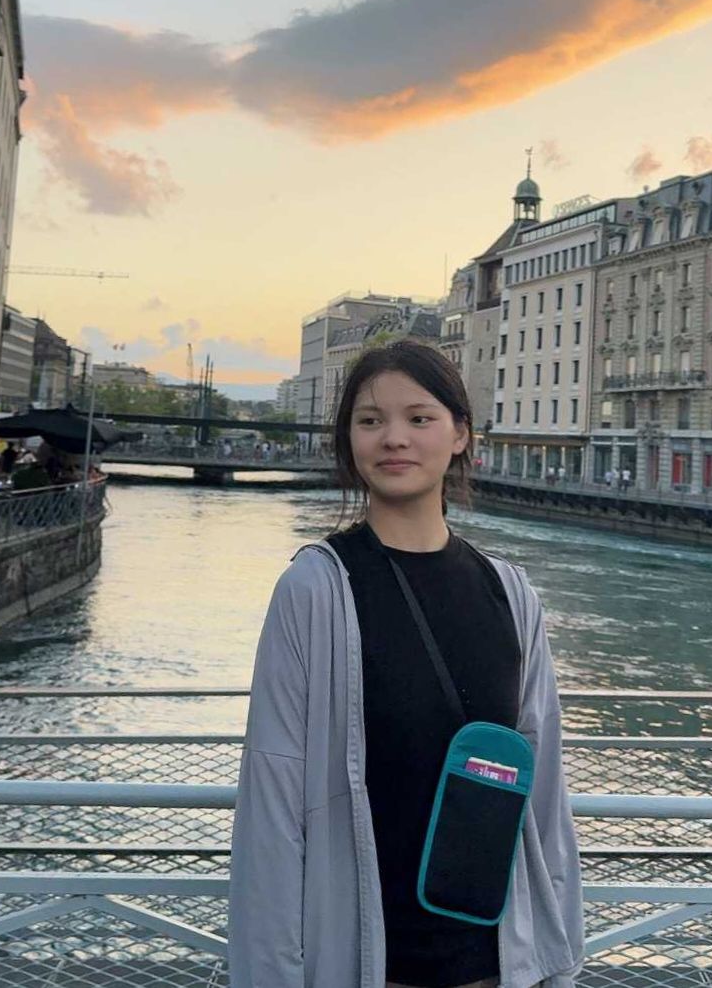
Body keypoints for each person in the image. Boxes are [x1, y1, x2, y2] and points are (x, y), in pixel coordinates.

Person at [229, 340, 583, 988]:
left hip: (494, 967)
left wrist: (557, 963)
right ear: (348, 440)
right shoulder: (314, 590)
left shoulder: (511, 594)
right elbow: (272, 800)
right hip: (362, 965)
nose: (394, 438)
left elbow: (544, 799)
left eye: (419, 418)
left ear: (460, 435)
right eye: (370, 420)